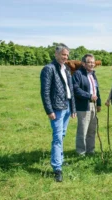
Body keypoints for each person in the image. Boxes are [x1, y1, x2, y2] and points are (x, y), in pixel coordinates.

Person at [40, 43, 76, 182]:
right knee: (57, 138)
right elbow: (45, 91)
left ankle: (59, 160)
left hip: (66, 106)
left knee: (62, 134)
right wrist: (49, 110)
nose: (65, 57)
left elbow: (70, 89)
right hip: (56, 108)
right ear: (56, 54)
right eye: (63, 54)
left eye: (67, 55)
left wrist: (72, 108)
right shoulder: (49, 69)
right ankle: (57, 168)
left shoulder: (66, 69)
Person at [72, 54, 101, 156]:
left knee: (92, 129)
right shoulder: (78, 74)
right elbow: (76, 89)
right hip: (83, 105)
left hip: (93, 104)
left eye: (93, 62)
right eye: (89, 62)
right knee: (83, 130)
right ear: (83, 63)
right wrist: (89, 96)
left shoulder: (93, 74)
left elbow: (96, 89)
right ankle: (81, 152)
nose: (92, 64)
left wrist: (99, 103)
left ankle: (90, 150)